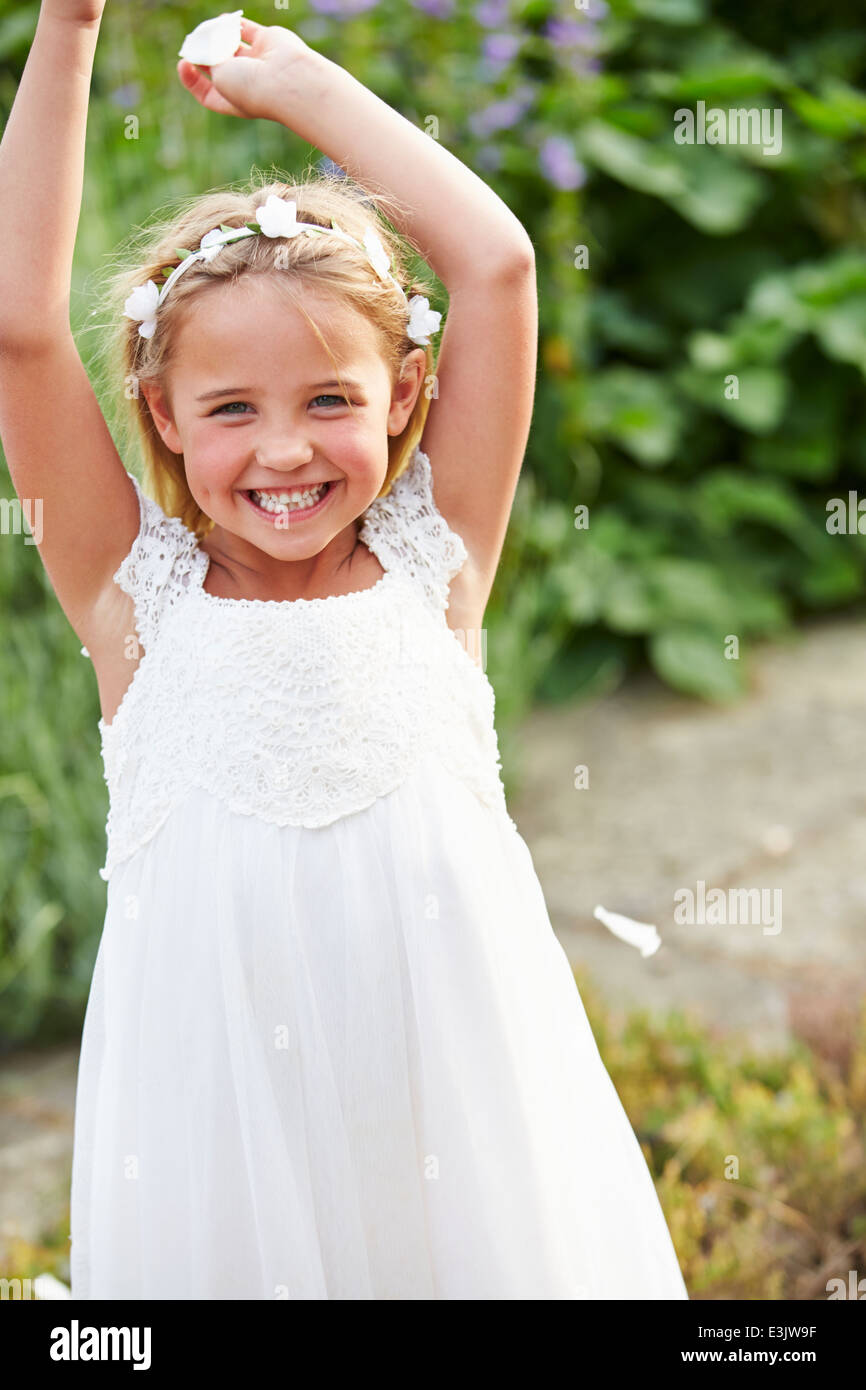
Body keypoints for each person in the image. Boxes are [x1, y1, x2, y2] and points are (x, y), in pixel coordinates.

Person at [0, 3, 689, 1300]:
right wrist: (70, 24)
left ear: (407, 397)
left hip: (451, 1098)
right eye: (230, 409)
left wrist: (300, 85)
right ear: (159, 411)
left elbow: (494, 263)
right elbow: (22, 327)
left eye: (330, 399)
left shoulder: (439, 559)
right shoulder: (134, 602)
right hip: (222, 1118)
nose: (283, 451)